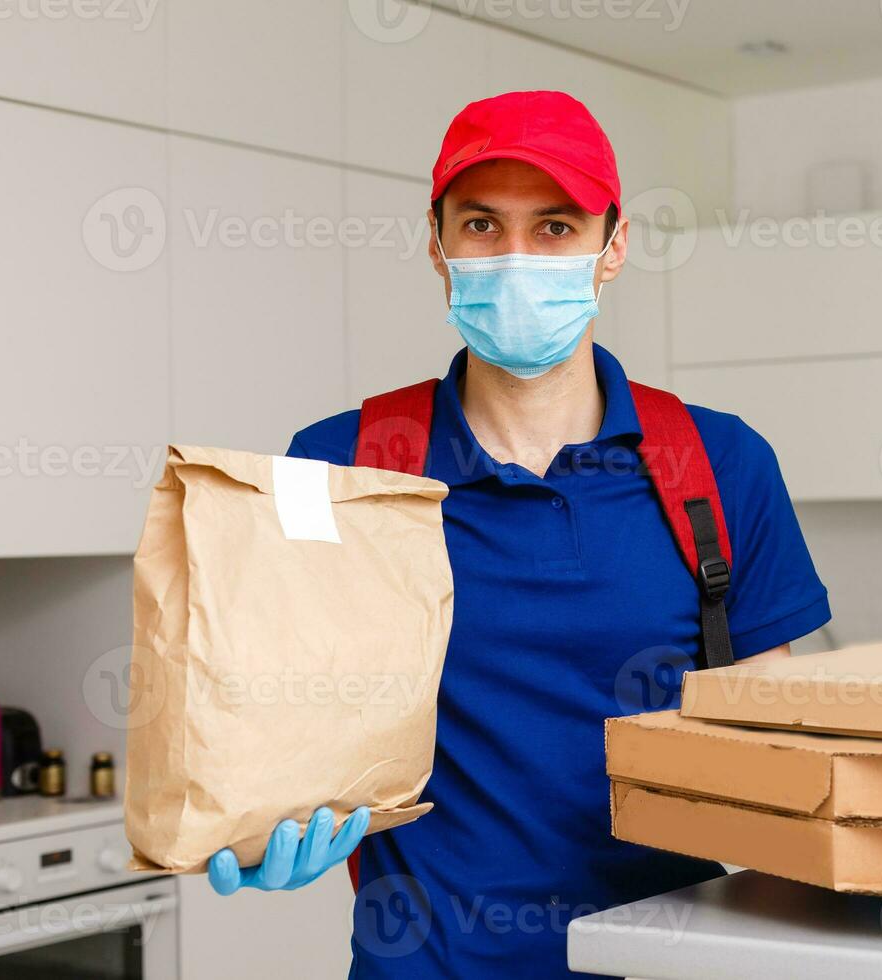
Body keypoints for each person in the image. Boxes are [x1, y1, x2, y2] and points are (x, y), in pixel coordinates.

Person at [203, 90, 831, 977]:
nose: (514, 259)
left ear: (613, 247)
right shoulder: (344, 464)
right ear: (438, 244)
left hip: (669, 963)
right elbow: (277, 703)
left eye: (555, 229)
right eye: (482, 225)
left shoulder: (718, 463)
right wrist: (257, 813)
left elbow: (776, 735)